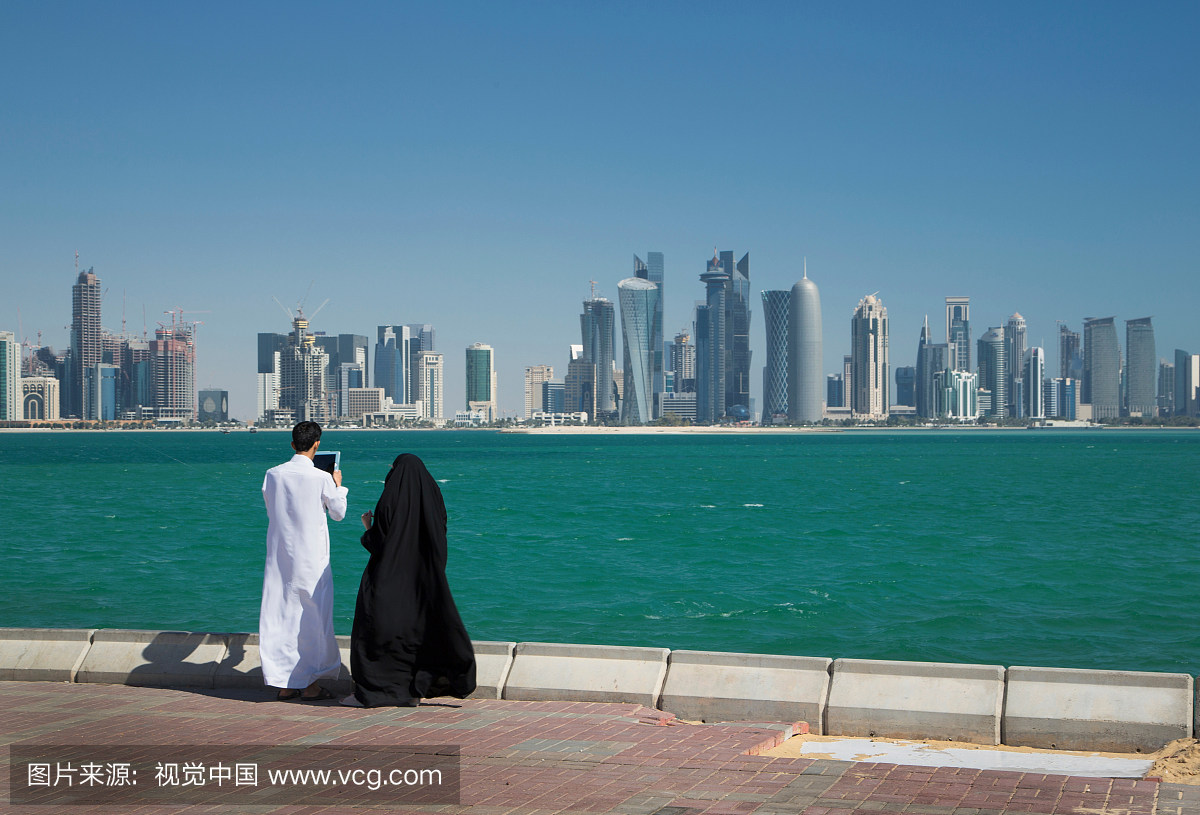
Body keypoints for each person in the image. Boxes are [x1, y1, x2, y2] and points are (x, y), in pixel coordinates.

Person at [349, 453, 476, 707]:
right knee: (417, 634)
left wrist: (367, 528)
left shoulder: (390, 498)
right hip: (423, 581)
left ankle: (377, 692)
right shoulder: (433, 495)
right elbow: (440, 534)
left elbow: (381, 543)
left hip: (388, 578)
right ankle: (413, 691)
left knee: (374, 628)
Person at [260, 421, 347, 702]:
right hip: (311, 558)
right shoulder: (321, 478)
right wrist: (338, 486)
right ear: (317, 444)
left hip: (280, 556)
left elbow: (270, 507)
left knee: (281, 616)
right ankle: (310, 685)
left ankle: (285, 683)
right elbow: (338, 513)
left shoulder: (272, 475)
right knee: (312, 619)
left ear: (292, 444)